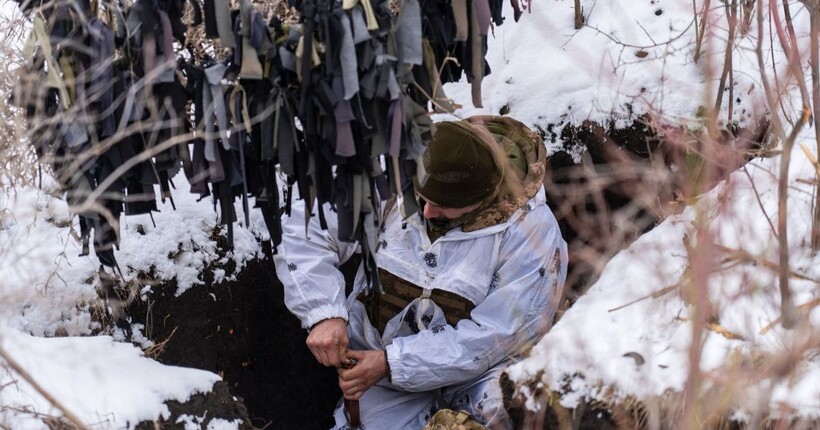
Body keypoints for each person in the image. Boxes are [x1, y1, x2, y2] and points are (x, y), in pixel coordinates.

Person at [274, 115, 568, 429]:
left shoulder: (531, 232)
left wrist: (393, 363)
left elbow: (500, 334)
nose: (426, 211)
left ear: (482, 200)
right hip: (380, 373)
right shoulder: (397, 174)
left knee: (516, 409)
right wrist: (323, 313)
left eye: (441, 205)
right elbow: (307, 231)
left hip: (482, 375)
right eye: (421, 197)